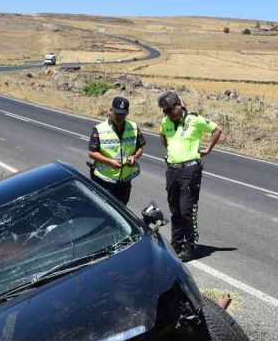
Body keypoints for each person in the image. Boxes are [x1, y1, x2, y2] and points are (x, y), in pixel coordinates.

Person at [158, 90, 223, 261]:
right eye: (164, 111)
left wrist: (208, 149)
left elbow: (217, 129)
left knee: (187, 209)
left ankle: (190, 245)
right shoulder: (166, 121)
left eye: (170, 109)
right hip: (172, 169)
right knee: (175, 209)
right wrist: (172, 150)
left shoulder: (194, 119)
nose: (168, 113)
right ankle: (176, 243)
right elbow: (162, 134)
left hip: (190, 169)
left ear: (179, 105)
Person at [87, 96, 145, 205]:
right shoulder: (99, 129)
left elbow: (140, 148)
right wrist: (109, 161)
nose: (119, 116)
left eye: (122, 114)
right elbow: (92, 152)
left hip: (125, 179)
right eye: (117, 113)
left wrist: (134, 157)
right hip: (104, 179)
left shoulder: (133, 127)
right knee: (107, 209)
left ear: (127, 113)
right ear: (110, 110)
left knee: (122, 208)